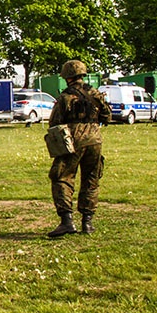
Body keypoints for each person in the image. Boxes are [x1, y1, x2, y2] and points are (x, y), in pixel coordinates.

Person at [47, 60, 112, 237]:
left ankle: (67, 221)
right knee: (91, 179)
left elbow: (54, 123)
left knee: (62, 176)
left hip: (73, 141)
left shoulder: (65, 97)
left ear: (67, 77)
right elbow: (107, 115)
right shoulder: (95, 93)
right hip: (95, 141)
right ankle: (87, 222)